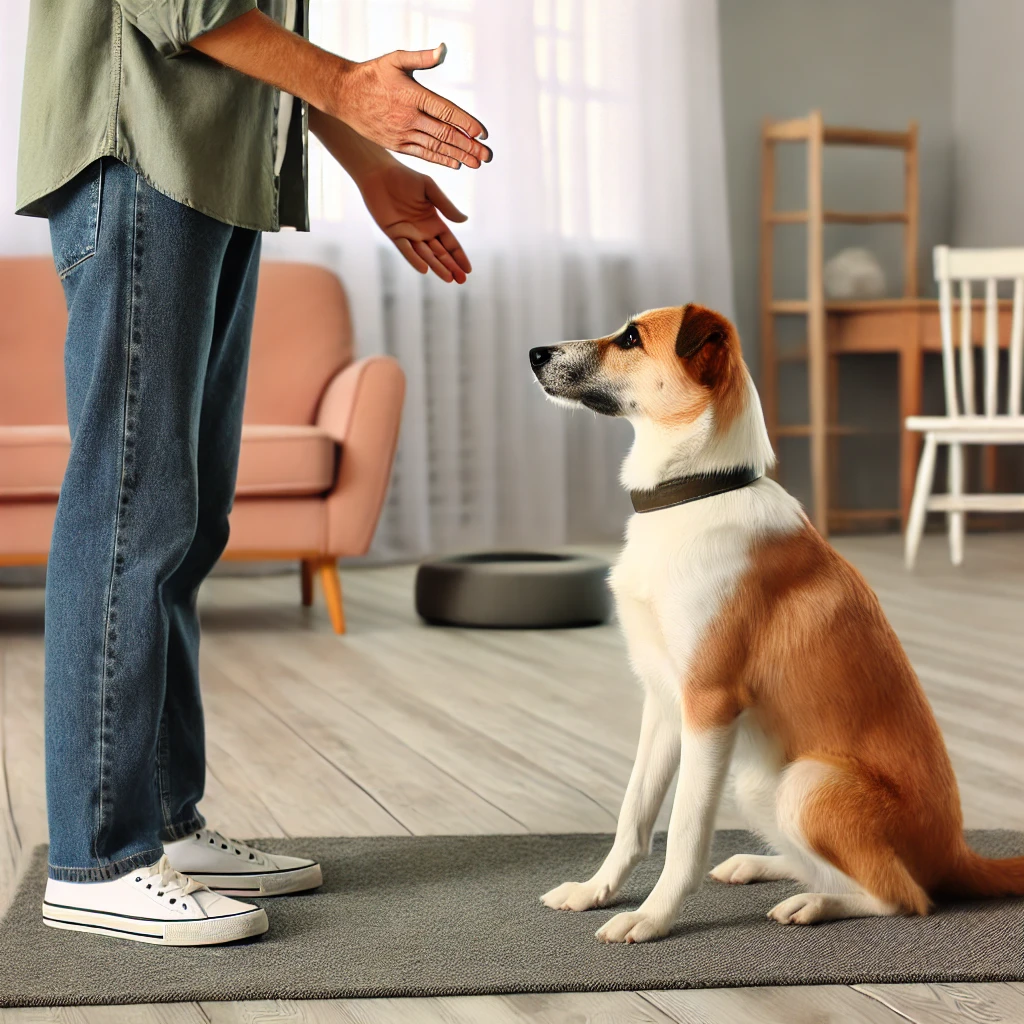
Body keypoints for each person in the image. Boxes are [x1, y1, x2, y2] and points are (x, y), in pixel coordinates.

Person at [16, 0, 490, 946]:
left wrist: (365, 156)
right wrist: (354, 94)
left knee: (182, 525)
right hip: (140, 157)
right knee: (128, 519)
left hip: (207, 175)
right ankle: (97, 859)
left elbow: (244, 26)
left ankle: (162, 824)